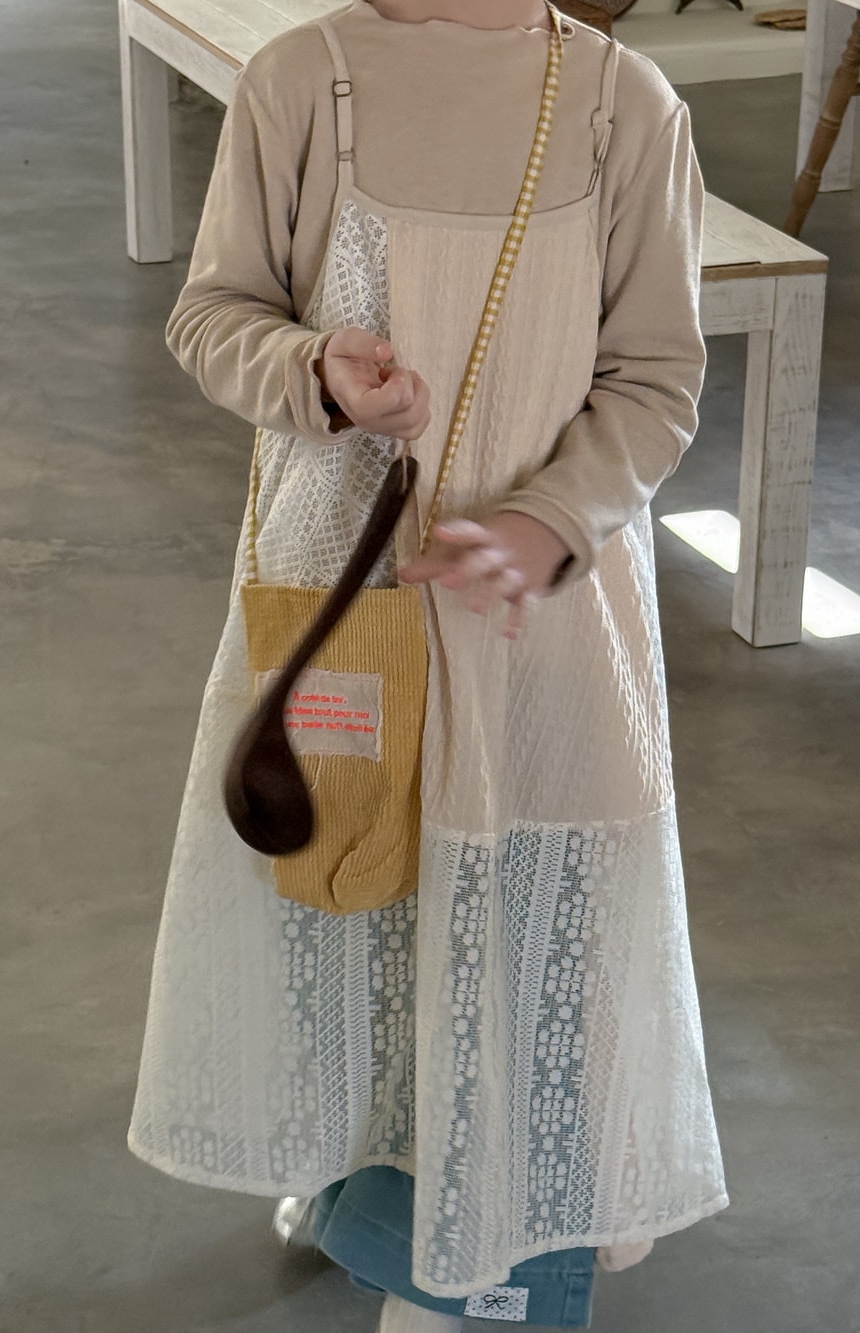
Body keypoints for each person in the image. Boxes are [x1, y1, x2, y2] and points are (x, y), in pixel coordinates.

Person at [127, 1, 729, 1329]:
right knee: (349, 900)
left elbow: (655, 378)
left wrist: (548, 518)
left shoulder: (622, 104)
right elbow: (213, 314)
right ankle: (375, 1190)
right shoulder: (302, 81)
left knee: (541, 938)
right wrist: (315, 371)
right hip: (341, 604)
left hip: (546, 623)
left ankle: (493, 1252)